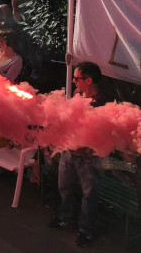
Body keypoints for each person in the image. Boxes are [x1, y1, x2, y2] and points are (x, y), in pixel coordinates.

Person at [50, 61, 114, 247]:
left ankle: (85, 231)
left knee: (89, 195)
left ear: (89, 80)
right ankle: (67, 219)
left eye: (77, 78)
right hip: (69, 151)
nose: (73, 81)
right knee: (65, 187)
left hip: (88, 158)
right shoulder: (78, 94)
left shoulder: (101, 102)